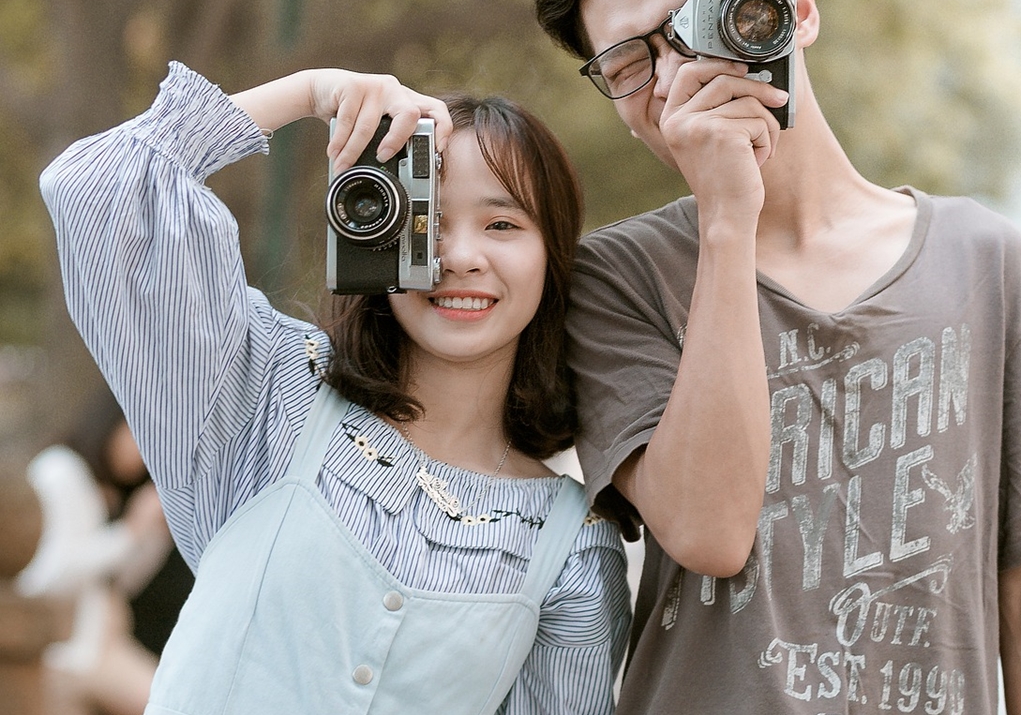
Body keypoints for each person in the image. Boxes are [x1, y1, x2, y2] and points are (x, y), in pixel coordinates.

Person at [531, 0, 1021, 715]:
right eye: (626, 65)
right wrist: (726, 220)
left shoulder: (993, 264)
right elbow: (709, 533)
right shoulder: (613, 277)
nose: (671, 75)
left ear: (789, 9)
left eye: (693, 23)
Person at [40, 62, 631, 714]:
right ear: (373, 238)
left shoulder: (570, 542)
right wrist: (311, 92)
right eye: (426, 220)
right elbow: (94, 186)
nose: (460, 256)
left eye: (502, 225)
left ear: (553, 260)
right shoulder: (269, 394)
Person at [17, 386, 186, 715]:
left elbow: (120, 582)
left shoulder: (107, 489)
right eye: (140, 436)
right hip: (72, 653)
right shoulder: (61, 471)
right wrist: (129, 532)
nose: (143, 455)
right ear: (113, 422)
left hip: (103, 644)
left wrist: (154, 535)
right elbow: (49, 573)